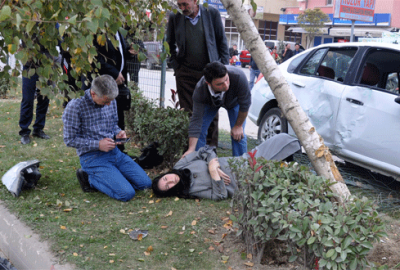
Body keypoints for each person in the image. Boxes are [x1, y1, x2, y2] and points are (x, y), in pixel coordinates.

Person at [62, 75, 152, 201]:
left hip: (114, 152)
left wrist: (119, 132)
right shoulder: (75, 106)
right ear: (93, 94)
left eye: (111, 100)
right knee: (126, 194)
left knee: (145, 184)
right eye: (105, 101)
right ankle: (90, 178)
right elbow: (69, 140)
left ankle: (113, 176)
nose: (109, 104)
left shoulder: (111, 100)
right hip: (92, 157)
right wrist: (98, 145)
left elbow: (113, 124)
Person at [152, 133, 301, 200]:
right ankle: (296, 174)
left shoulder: (180, 165)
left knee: (281, 139)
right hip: (244, 181)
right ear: (171, 191)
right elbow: (219, 195)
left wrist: (212, 162)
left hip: (242, 161)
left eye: (165, 178)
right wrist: (214, 174)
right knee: (278, 175)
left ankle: (295, 160)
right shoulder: (189, 191)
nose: (170, 181)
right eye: (168, 186)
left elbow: (205, 150)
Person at [166, 0, 230, 148]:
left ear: (195, 1)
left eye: (185, 4)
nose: (182, 8)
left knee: (211, 112)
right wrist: (176, 67)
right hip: (185, 74)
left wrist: (223, 68)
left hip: (209, 74)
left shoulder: (211, 13)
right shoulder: (176, 16)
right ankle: (191, 150)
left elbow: (222, 41)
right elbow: (169, 43)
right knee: (188, 114)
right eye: (179, 5)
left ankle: (210, 149)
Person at [183, 61, 251, 158]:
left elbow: (245, 104)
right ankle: (197, 161)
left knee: (238, 134)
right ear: (209, 83)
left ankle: (240, 167)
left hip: (234, 102)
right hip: (211, 103)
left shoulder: (239, 76)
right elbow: (196, 121)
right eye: (220, 84)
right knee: (201, 129)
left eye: (226, 80)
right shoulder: (200, 90)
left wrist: (238, 125)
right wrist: (191, 149)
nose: (226, 85)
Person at [82, 30, 131, 152]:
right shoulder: (98, 30)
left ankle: (120, 150)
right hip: (102, 83)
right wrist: (114, 73)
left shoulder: (118, 31)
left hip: (118, 83)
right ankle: (103, 149)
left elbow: (119, 55)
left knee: (117, 118)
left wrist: (131, 52)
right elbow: (95, 57)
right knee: (103, 119)